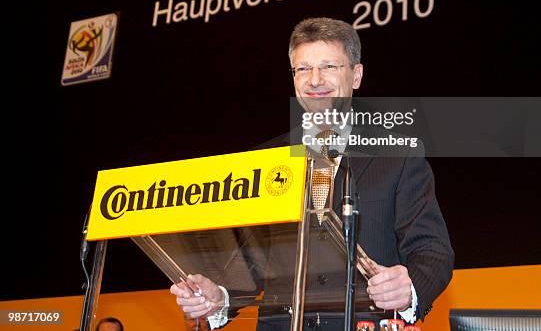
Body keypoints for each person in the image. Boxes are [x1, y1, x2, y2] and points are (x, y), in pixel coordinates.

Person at [170, 18, 454, 327]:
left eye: (329, 67)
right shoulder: (265, 160)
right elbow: (249, 267)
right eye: (303, 69)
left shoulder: (398, 155)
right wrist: (220, 297)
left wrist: (408, 287)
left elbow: (432, 252)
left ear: (356, 75)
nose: (314, 80)